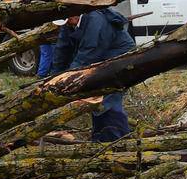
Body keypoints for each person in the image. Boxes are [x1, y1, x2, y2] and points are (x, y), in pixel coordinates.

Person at [37, 9, 136, 141]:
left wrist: (67, 79)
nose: (67, 25)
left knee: (108, 98)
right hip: (101, 58)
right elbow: (62, 50)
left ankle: (117, 140)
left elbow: (88, 55)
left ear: (74, 14)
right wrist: (54, 78)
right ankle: (100, 137)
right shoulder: (69, 24)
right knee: (94, 97)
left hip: (120, 59)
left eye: (68, 21)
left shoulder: (96, 21)